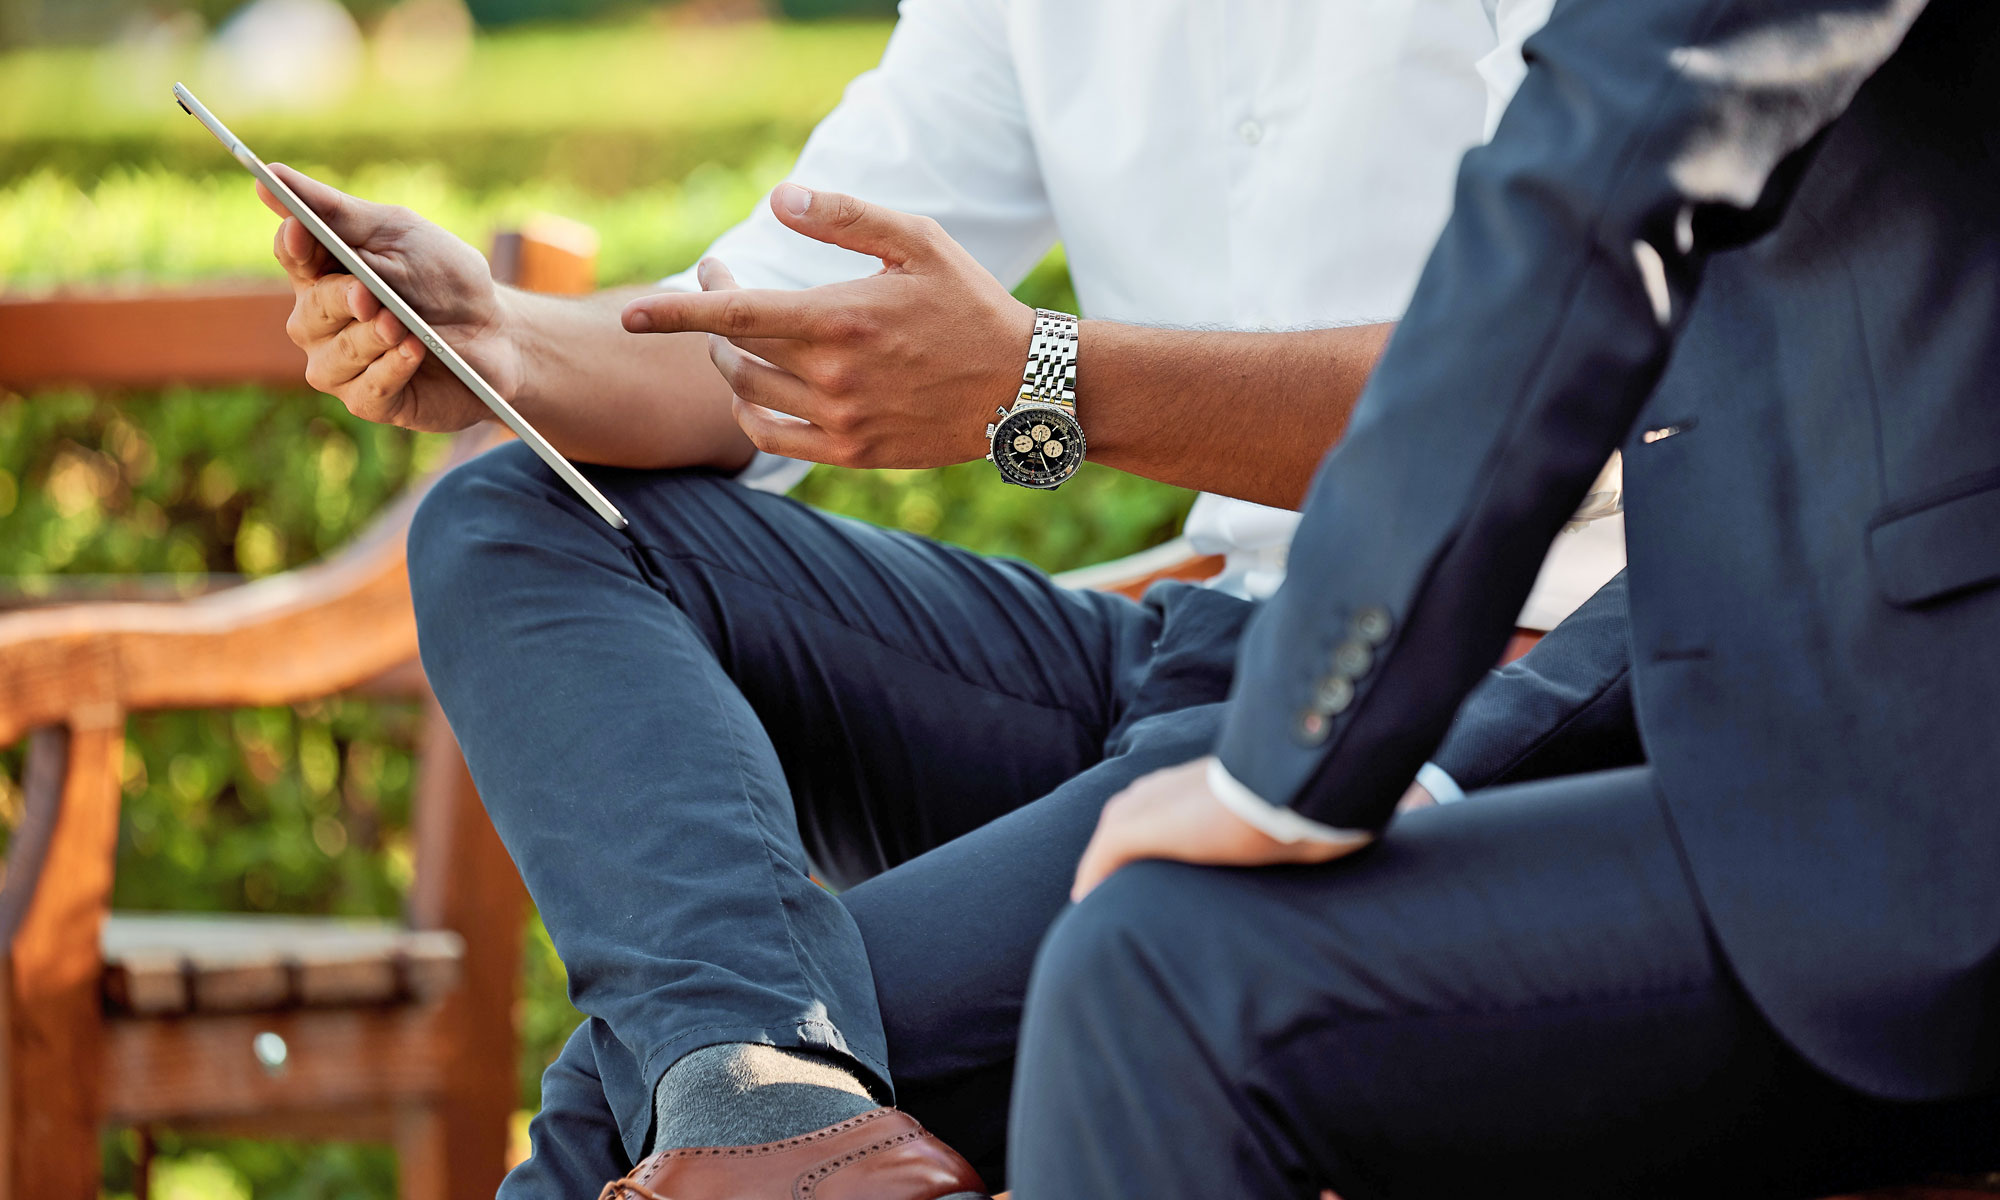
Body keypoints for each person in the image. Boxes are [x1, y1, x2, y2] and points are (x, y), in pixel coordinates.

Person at [264, 2, 1620, 1195]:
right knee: (510, 512)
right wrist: (501, 336)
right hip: (1199, 640)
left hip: (1482, 674)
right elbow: (776, 325)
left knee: (613, 1127)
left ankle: (764, 1109)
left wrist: (1039, 382)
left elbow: (1555, 379)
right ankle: (762, 1092)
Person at [998, 0, 2000, 1196]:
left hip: (1915, 805)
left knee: (1156, 979)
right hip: (1220, 644)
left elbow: (1594, 179)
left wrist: (1291, 762)